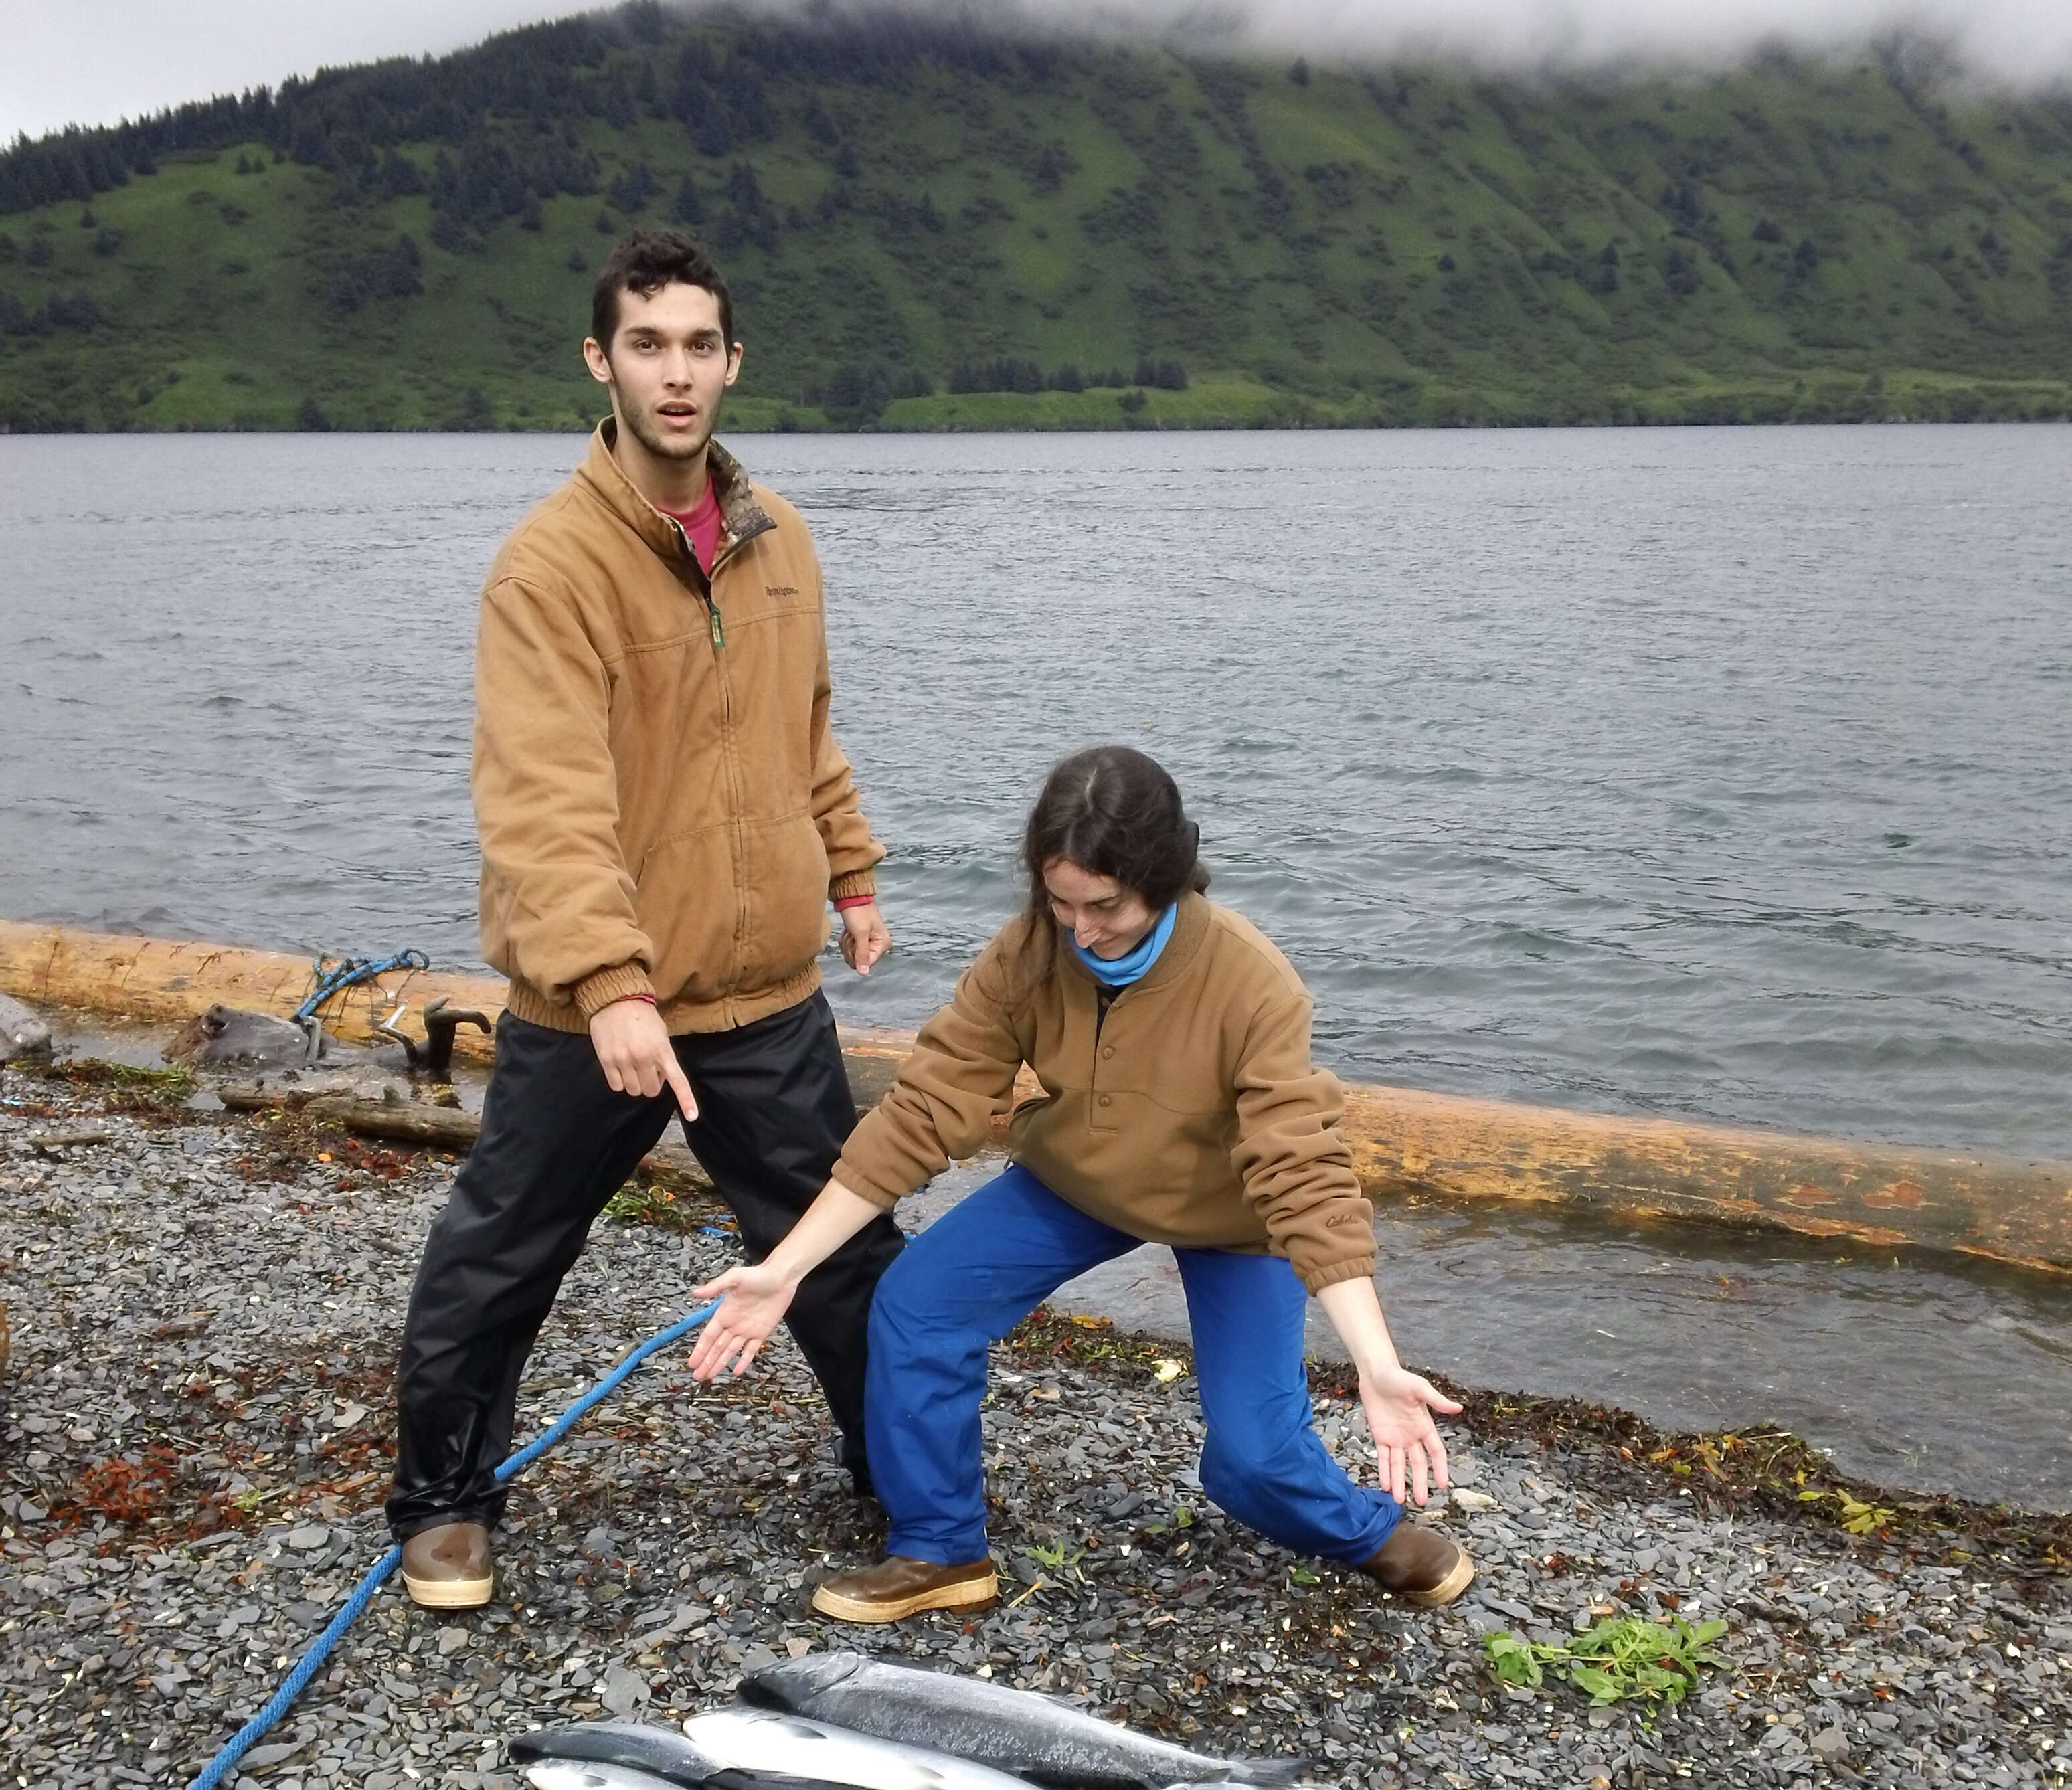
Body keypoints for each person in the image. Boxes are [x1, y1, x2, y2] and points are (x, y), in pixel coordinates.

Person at [386, 227, 902, 1609]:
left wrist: (848, 870)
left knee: (844, 1252)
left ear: (733, 361)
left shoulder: (776, 538)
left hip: (759, 994)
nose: (675, 375)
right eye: (646, 345)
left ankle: (903, 1476)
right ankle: (442, 1502)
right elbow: (542, 798)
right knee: (503, 1253)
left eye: (697, 347)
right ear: (601, 361)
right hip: (595, 1005)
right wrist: (610, 981)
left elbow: (805, 728)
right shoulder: (548, 566)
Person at [687, 745, 1474, 1621]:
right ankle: (940, 1549)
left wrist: (1375, 1362)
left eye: (1106, 906)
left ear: (1168, 879)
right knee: (916, 1304)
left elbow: (1305, 1176)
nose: (1080, 930)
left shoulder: (1252, 983)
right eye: (1059, 901)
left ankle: (1367, 1532)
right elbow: (923, 1112)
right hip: (1079, 1180)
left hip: (1229, 1216)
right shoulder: (1029, 951)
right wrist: (786, 1268)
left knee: (1249, 1463)